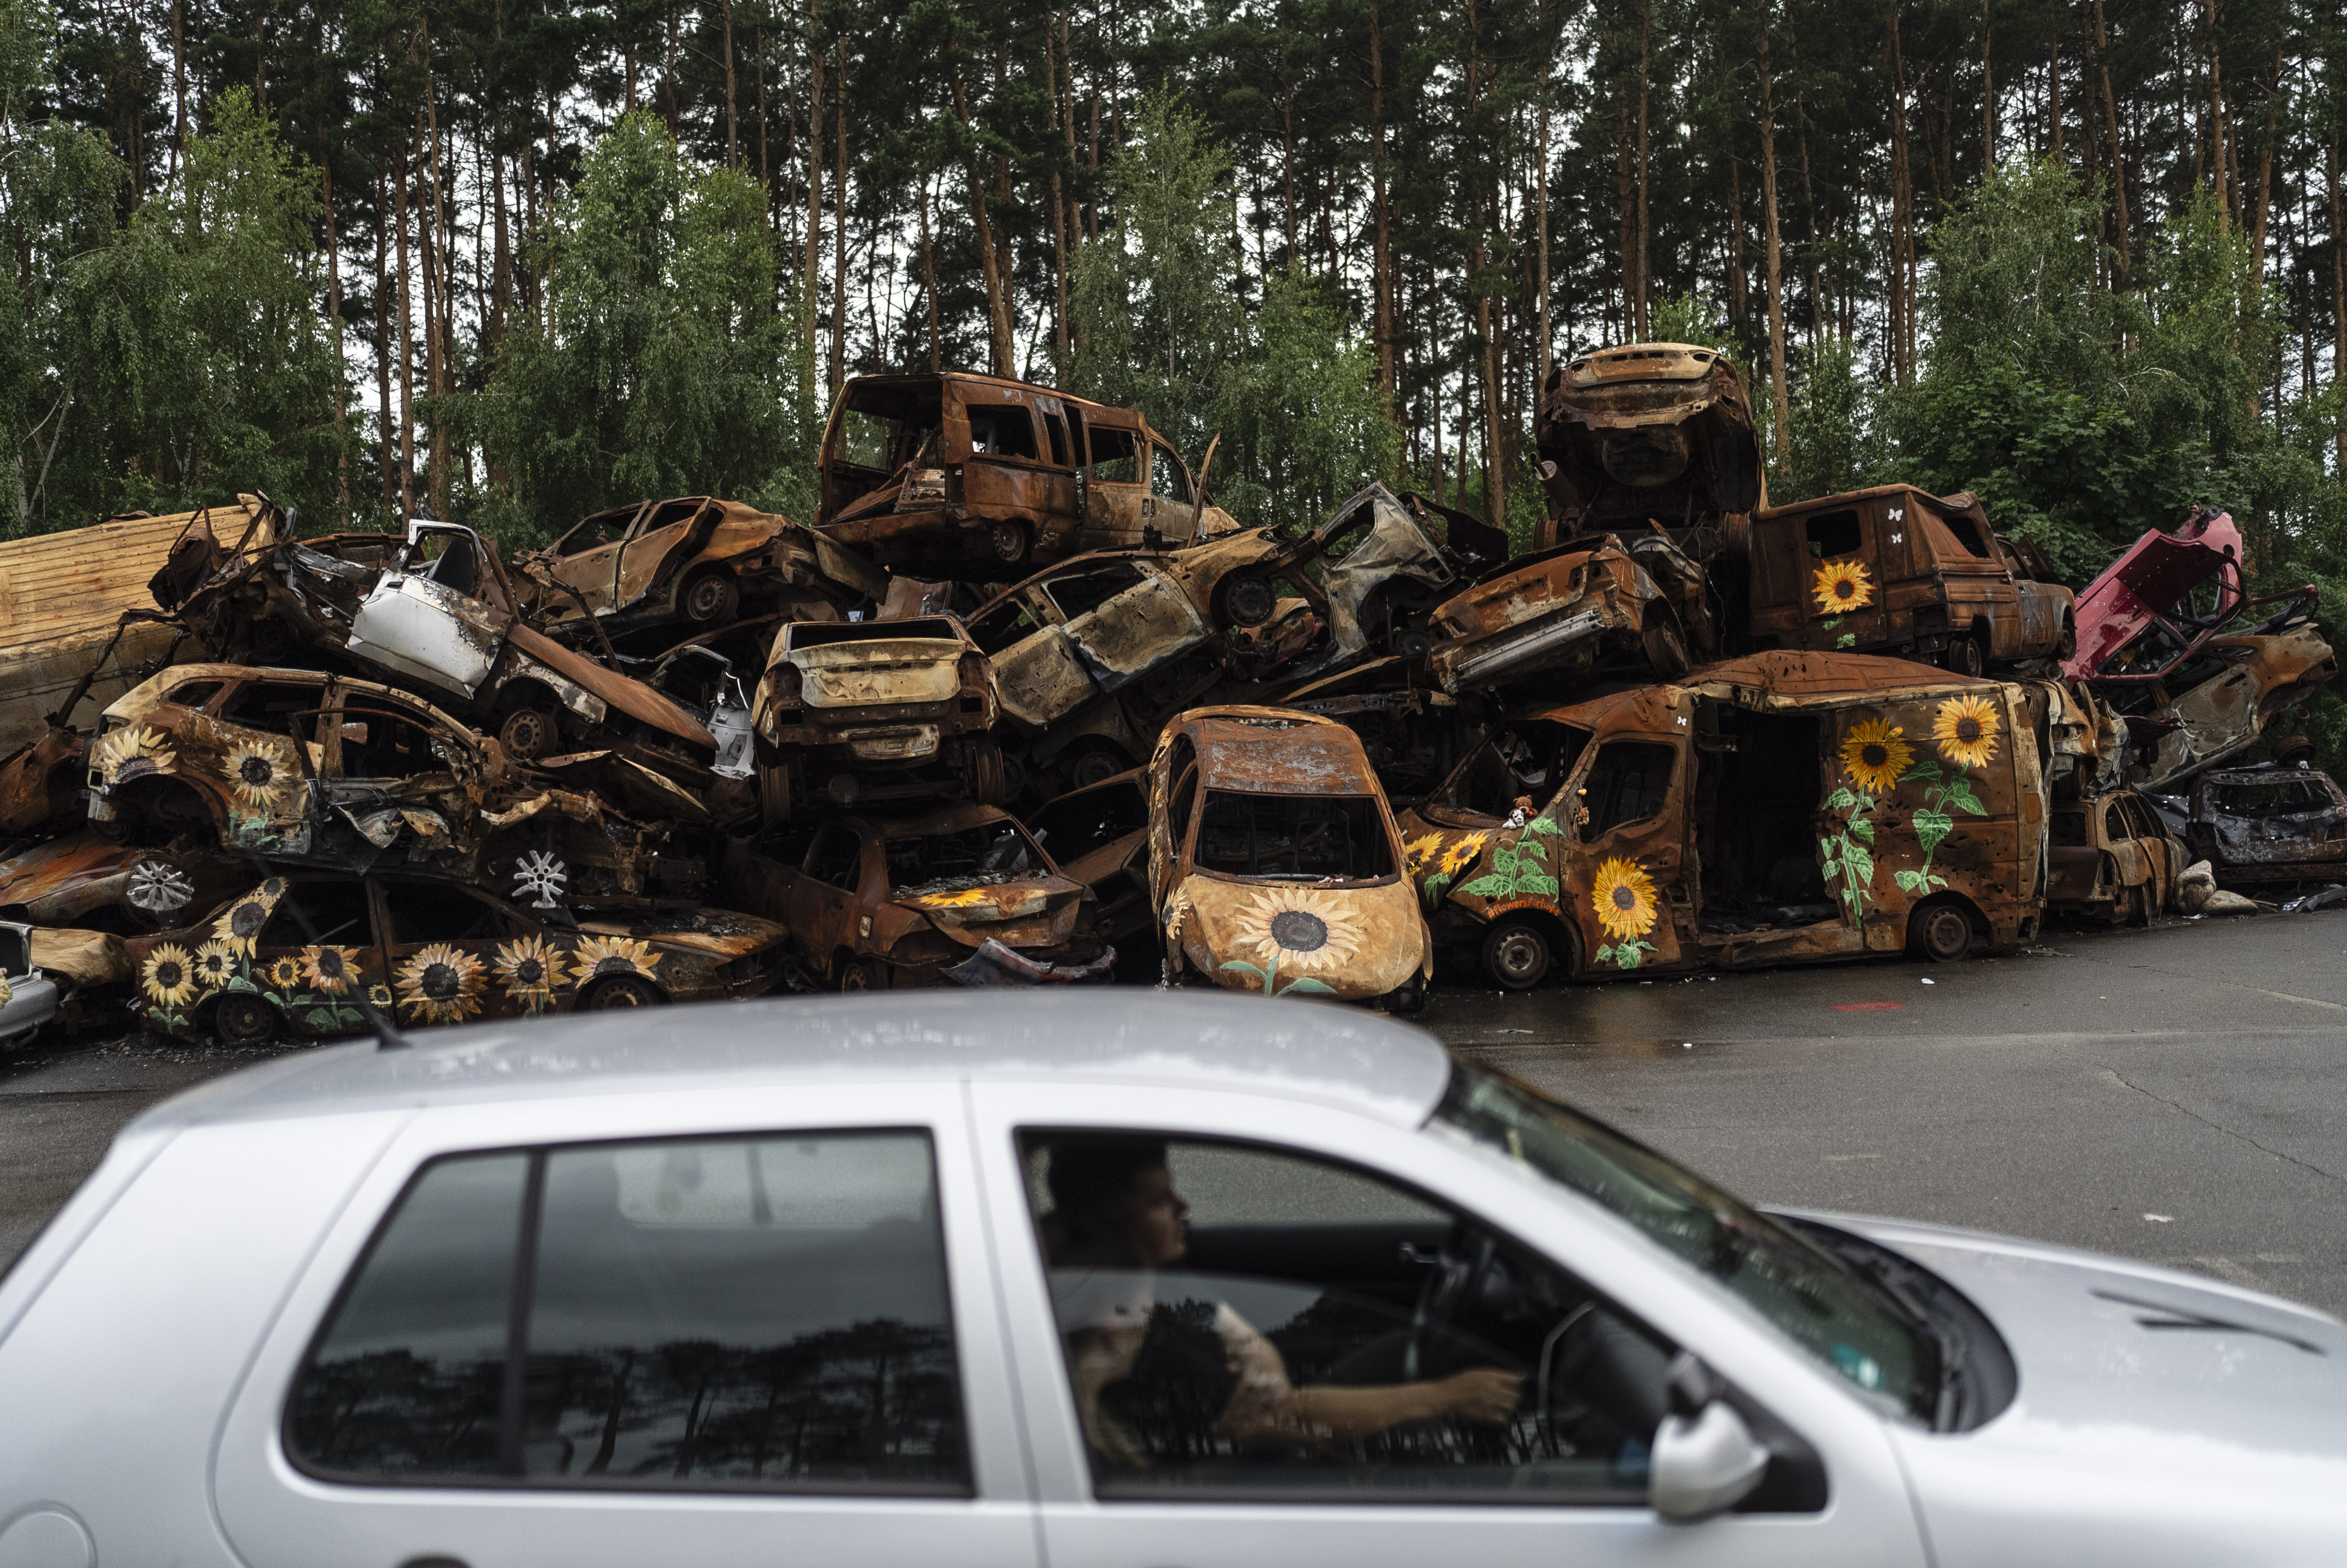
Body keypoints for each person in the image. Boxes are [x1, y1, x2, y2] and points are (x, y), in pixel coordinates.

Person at [1037, 1136, 1523, 1470]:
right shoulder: (1118, 1331)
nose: (1184, 1208)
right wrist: (1447, 1396)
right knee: (1432, 1380)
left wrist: (1254, 1350)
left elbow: (1225, 1326)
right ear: (1111, 1223)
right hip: (1246, 1467)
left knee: (1413, 1346)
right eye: (1160, 1201)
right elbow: (1277, 1420)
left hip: (1265, 1424)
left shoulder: (1151, 1272)